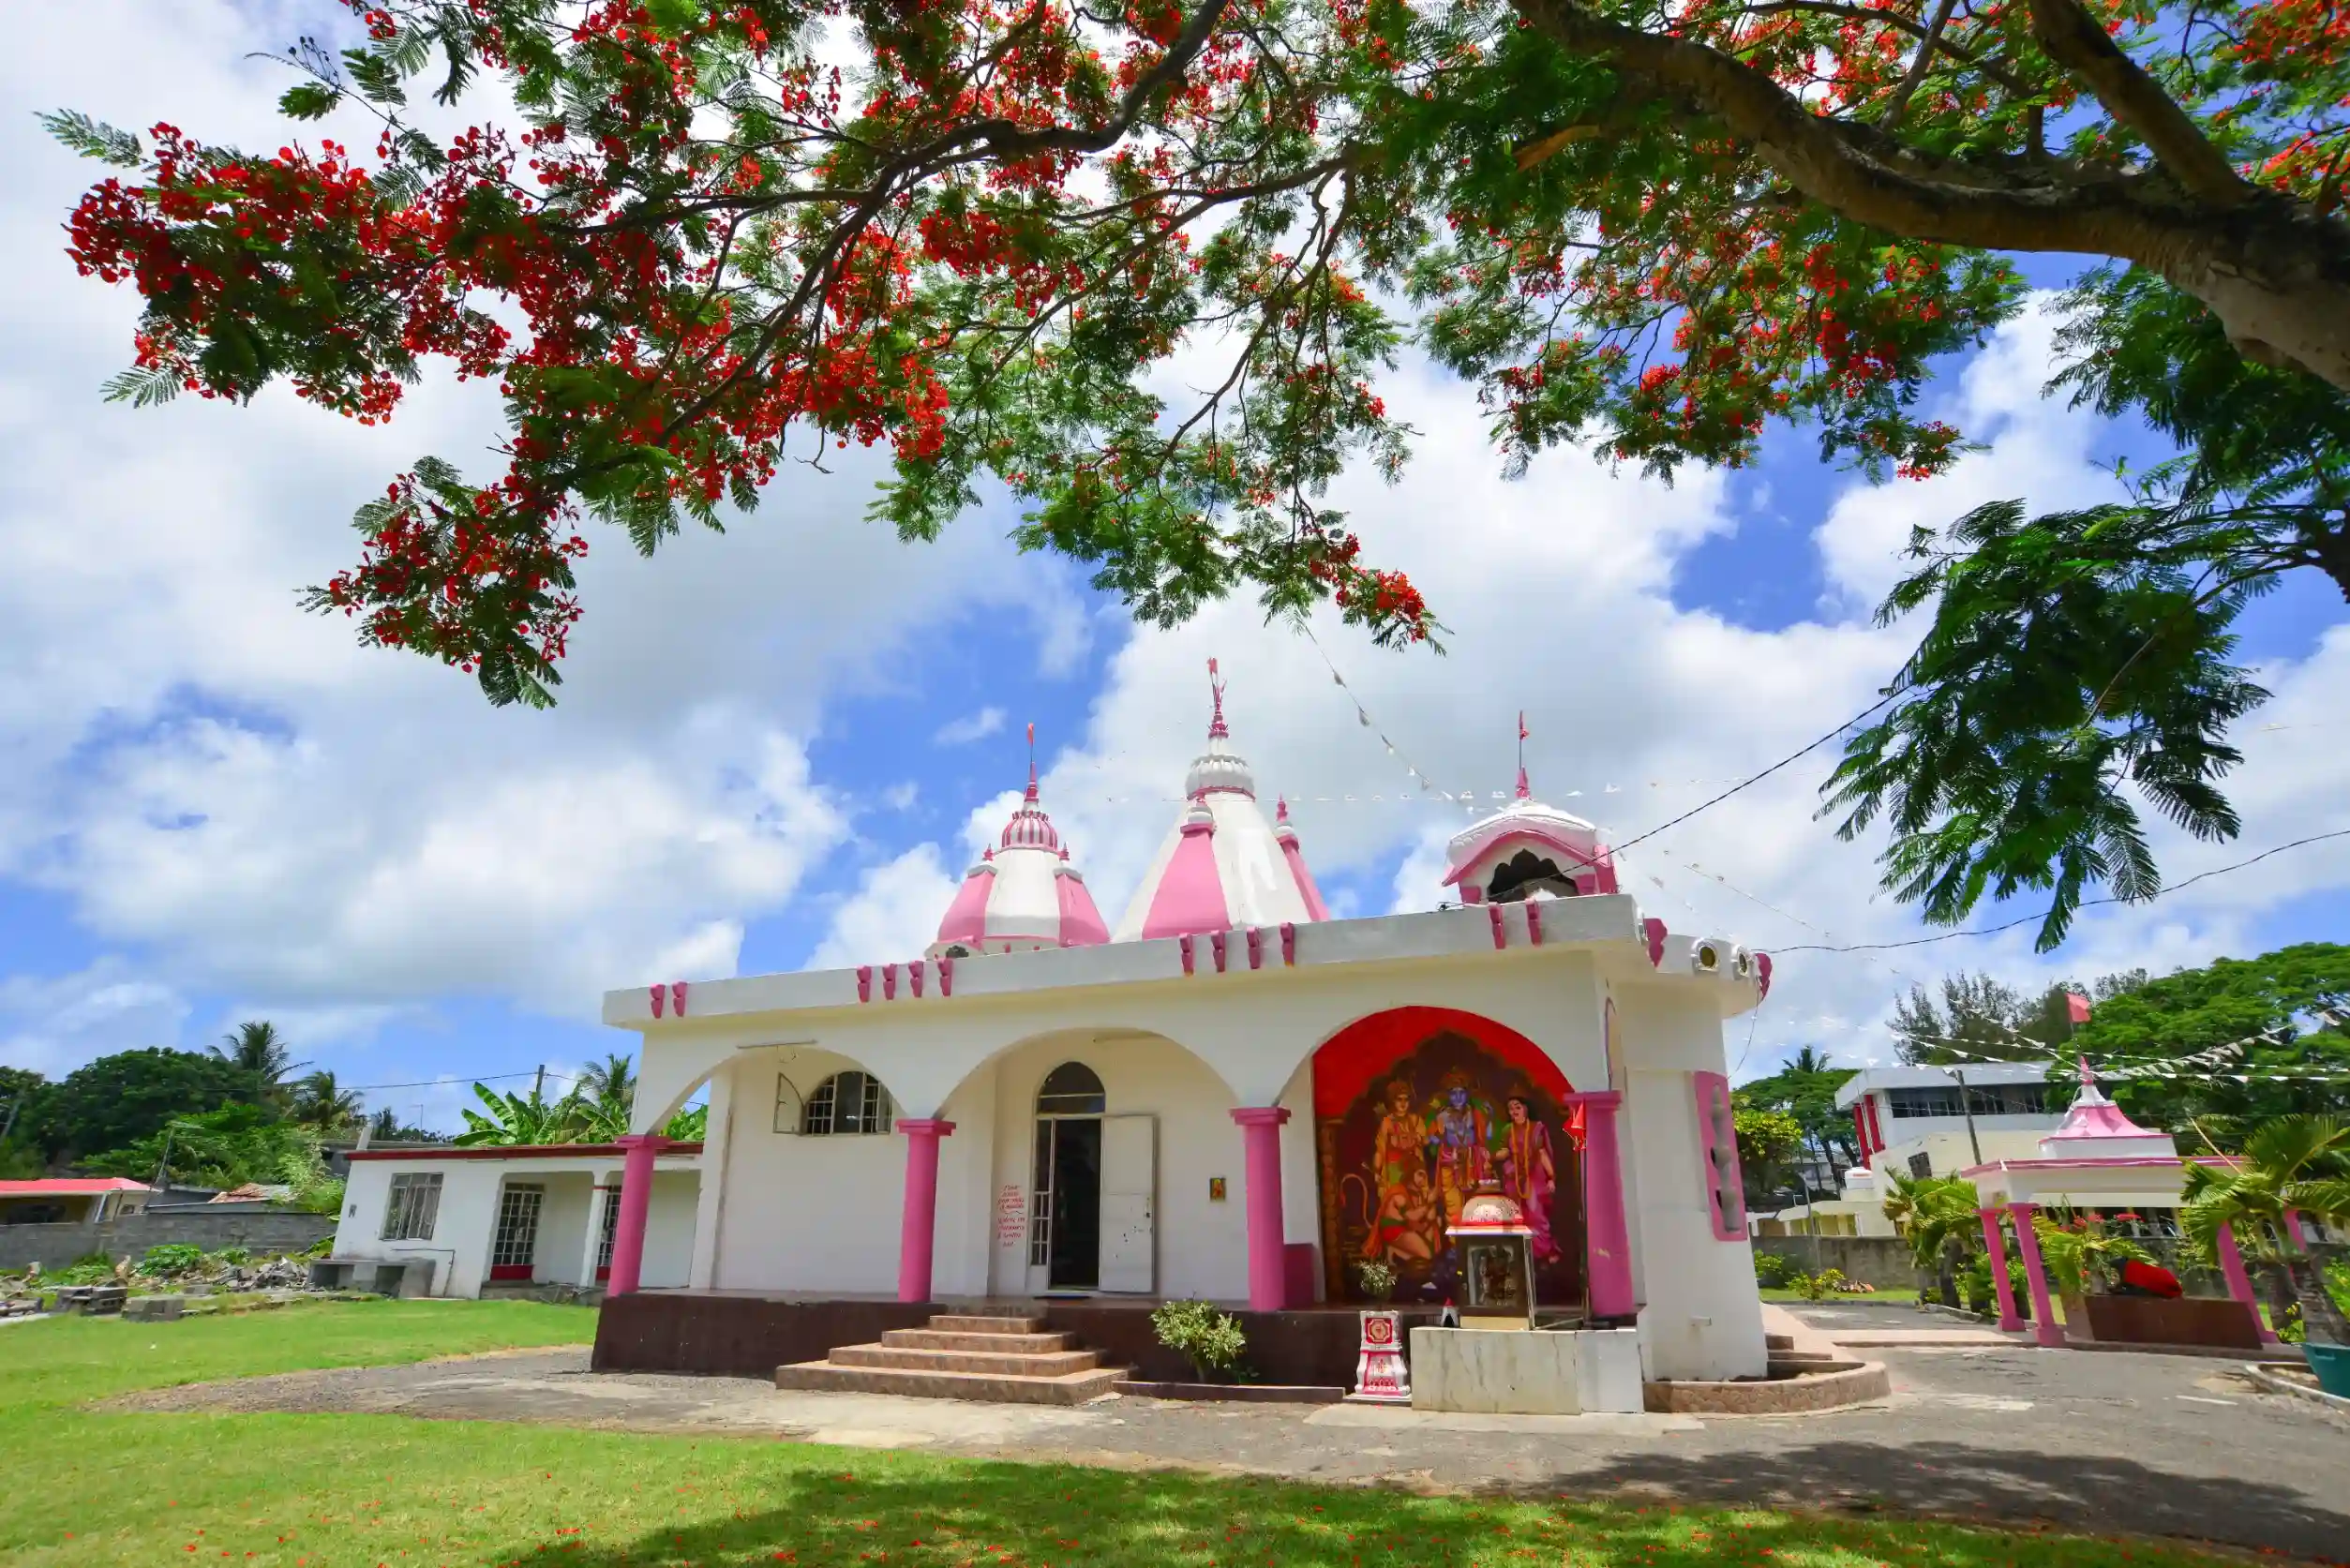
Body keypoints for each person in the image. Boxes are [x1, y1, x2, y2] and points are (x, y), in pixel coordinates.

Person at [1499, 1084, 1562, 1262]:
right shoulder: (1507, 1130)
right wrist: (1493, 1155)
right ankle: (1521, 1255)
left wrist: (1551, 1177)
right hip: (1513, 1176)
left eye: (1517, 1107)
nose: (1514, 1112)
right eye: (1511, 1109)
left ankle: (1544, 1251)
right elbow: (1504, 1151)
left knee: (1536, 1214)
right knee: (1516, 1215)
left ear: (1526, 1108)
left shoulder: (1536, 1128)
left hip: (1534, 1175)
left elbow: (1542, 1153)